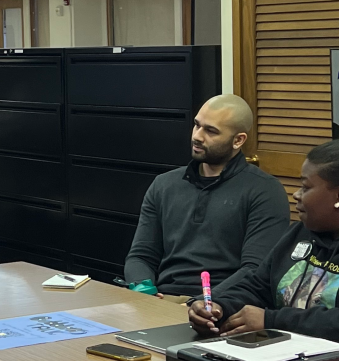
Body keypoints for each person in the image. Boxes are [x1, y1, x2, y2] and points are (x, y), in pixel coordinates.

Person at [189, 139, 339, 346]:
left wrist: (271, 321)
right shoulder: (300, 233)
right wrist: (219, 307)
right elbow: (258, 286)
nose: (296, 195)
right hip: (280, 356)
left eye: (306, 187)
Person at [124, 94, 290, 300]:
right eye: (197, 125)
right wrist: (144, 290)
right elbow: (141, 255)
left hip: (226, 303)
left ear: (238, 140)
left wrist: (201, 304)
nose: (197, 136)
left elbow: (254, 270)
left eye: (211, 131)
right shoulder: (164, 184)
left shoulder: (265, 191)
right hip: (164, 297)